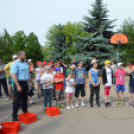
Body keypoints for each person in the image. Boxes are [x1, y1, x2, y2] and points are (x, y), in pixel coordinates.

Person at [11, 50, 29, 121]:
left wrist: (29, 83)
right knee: (17, 101)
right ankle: (14, 116)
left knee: (25, 100)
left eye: (25, 55)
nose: (25, 56)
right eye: (24, 55)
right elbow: (14, 75)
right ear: (19, 56)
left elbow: (27, 74)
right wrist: (18, 86)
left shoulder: (25, 64)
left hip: (25, 83)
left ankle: (25, 113)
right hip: (19, 83)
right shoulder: (15, 64)